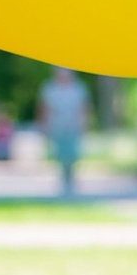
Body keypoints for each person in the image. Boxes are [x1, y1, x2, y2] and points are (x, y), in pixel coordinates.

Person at [40, 66, 88, 195]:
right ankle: (63, 179)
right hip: (57, 125)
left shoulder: (78, 88)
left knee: (72, 154)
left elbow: (83, 109)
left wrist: (83, 125)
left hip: (73, 125)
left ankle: (71, 178)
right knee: (60, 153)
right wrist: (45, 125)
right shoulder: (50, 88)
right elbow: (45, 108)